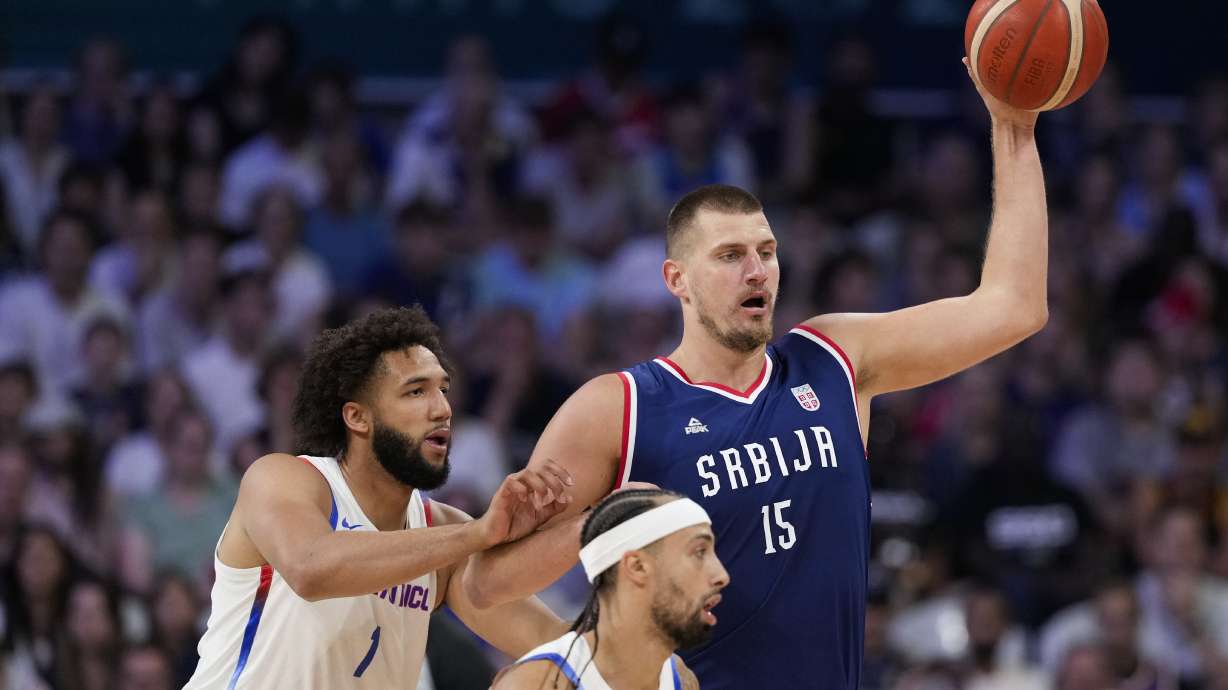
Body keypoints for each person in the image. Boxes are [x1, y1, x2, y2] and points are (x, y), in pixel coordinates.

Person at [466, 59, 1050, 689]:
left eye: (767, 253)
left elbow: (1014, 306)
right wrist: (599, 525)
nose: (757, 271)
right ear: (676, 280)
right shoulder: (619, 407)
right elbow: (485, 586)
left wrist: (1013, 126)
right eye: (730, 256)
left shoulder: (834, 357)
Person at [183, 306, 573, 689]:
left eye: (444, 389)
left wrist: (597, 527)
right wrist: (478, 534)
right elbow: (309, 568)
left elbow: (562, 648)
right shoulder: (284, 479)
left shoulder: (442, 532)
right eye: (416, 391)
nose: (442, 409)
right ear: (357, 417)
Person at [494, 489, 722, 690]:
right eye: (699, 553)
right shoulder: (535, 681)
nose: (722, 576)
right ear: (637, 567)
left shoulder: (680, 678)